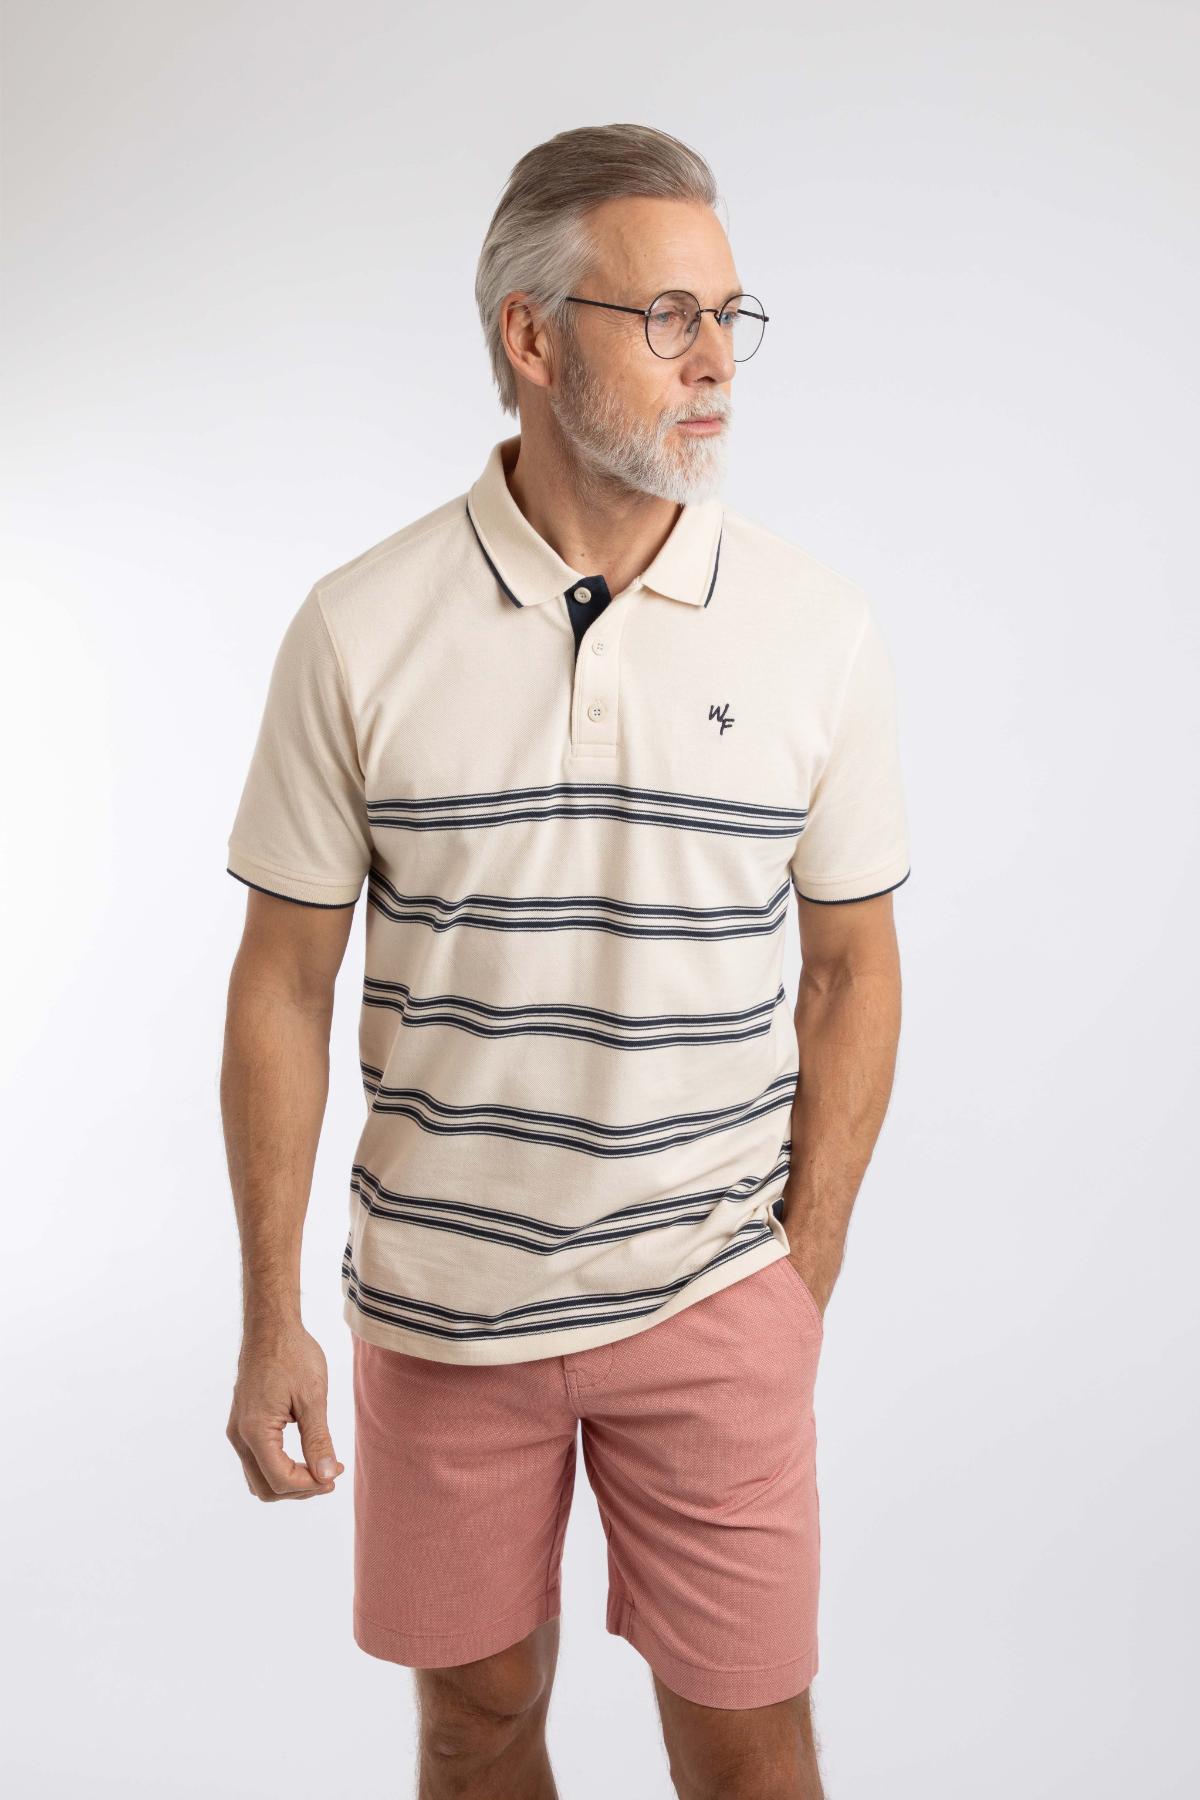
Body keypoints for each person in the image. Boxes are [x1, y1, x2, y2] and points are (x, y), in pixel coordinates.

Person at [221, 121, 910, 1800]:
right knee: (474, 1731)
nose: (714, 362)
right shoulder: (359, 628)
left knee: (752, 1754)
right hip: (441, 1318)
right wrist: (268, 1318)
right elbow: (282, 986)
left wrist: (800, 1269)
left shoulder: (817, 630)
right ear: (530, 338)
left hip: (716, 1299)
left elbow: (852, 969)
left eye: (729, 317)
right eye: (665, 317)